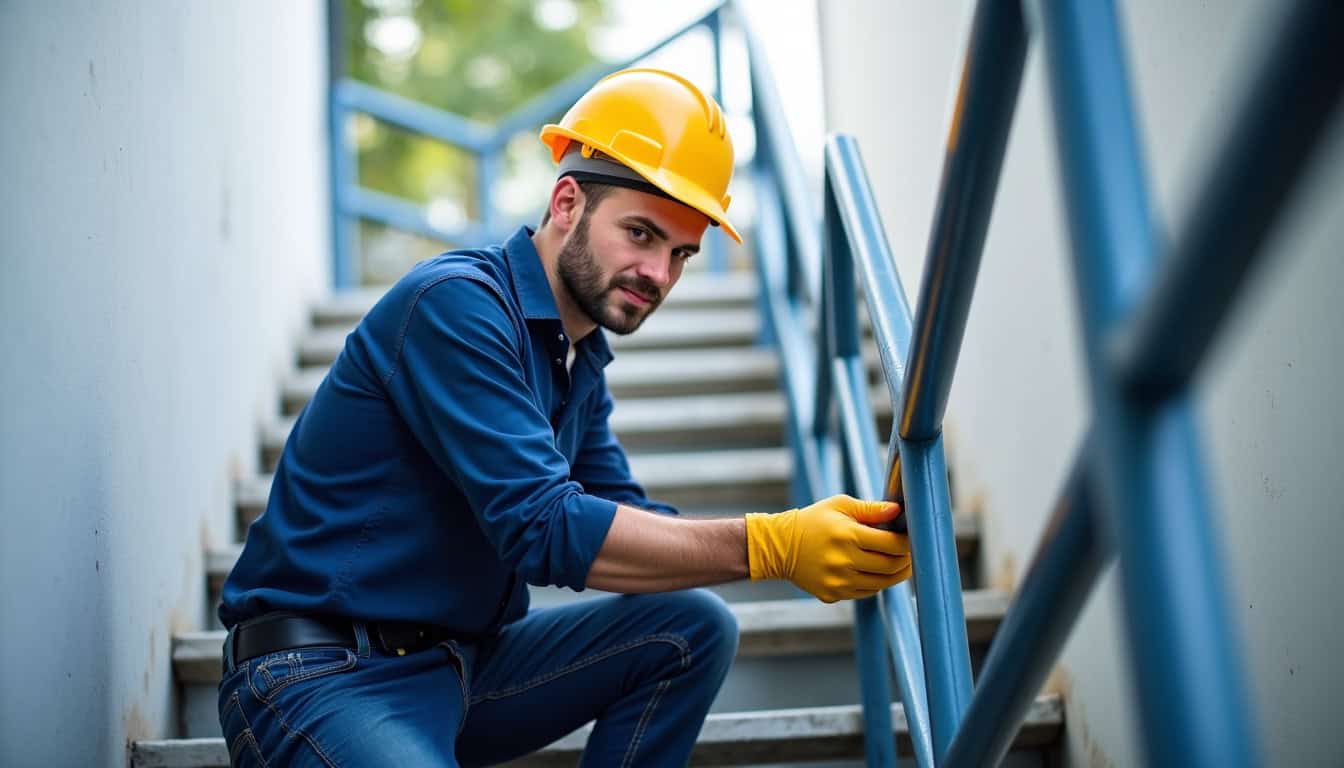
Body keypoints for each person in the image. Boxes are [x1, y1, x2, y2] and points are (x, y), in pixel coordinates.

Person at [216, 67, 912, 767]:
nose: (659, 274)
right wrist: (769, 545)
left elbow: (625, 524)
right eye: (640, 233)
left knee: (690, 626)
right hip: (324, 674)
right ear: (568, 201)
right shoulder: (456, 306)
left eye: (680, 254)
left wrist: (849, 534)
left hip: (462, 671)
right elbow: (543, 528)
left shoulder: (576, 358)